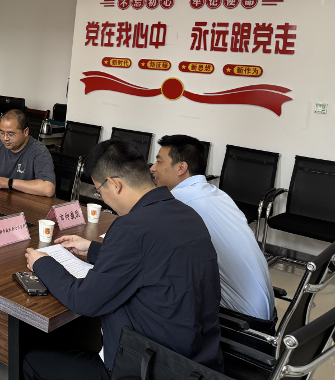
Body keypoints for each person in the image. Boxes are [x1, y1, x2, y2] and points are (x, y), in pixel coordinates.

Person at [22, 139, 223, 380]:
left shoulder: (131, 227)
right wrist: (93, 250)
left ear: (115, 185)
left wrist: (42, 263)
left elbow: (84, 300)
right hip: (199, 364)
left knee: (31, 361)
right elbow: (152, 260)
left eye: (99, 191)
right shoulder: (187, 214)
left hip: (154, 368)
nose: (102, 197)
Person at [151, 134, 275, 327]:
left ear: (181, 168)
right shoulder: (219, 194)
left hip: (241, 323)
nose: (153, 168)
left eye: (159, 161)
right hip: (266, 314)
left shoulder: (176, 203)